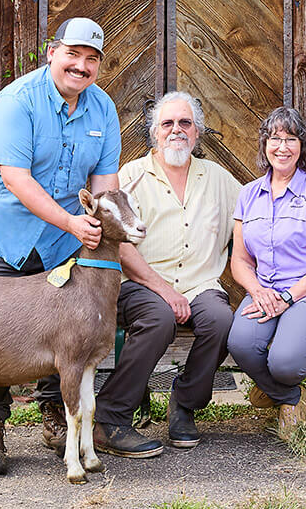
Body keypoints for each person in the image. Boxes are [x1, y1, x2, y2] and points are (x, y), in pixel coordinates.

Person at [0, 16, 120, 476]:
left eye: (92, 59)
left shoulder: (103, 110)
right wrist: (72, 222)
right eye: (73, 54)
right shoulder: (15, 102)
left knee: (65, 325)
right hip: (0, 232)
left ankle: (55, 415)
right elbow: (16, 179)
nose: (81, 66)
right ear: (52, 53)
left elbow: (105, 184)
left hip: (61, 239)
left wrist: (101, 222)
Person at [93, 91, 240, 457]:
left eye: (185, 123)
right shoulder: (131, 176)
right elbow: (120, 244)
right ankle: (110, 420)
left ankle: (185, 403)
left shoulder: (219, 179)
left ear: (197, 132)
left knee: (221, 320)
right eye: (167, 123)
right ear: (154, 132)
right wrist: (164, 290)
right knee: (159, 319)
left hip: (200, 284)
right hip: (140, 284)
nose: (176, 130)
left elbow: (253, 219)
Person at [227, 107, 306, 435]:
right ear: (264, 144)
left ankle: (275, 384)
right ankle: (290, 397)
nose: (282, 147)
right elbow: (240, 260)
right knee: (240, 343)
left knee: (285, 361)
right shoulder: (249, 195)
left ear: (302, 146)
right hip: (267, 290)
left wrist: (288, 297)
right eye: (275, 139)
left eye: (291, 139)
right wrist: (257, 291)